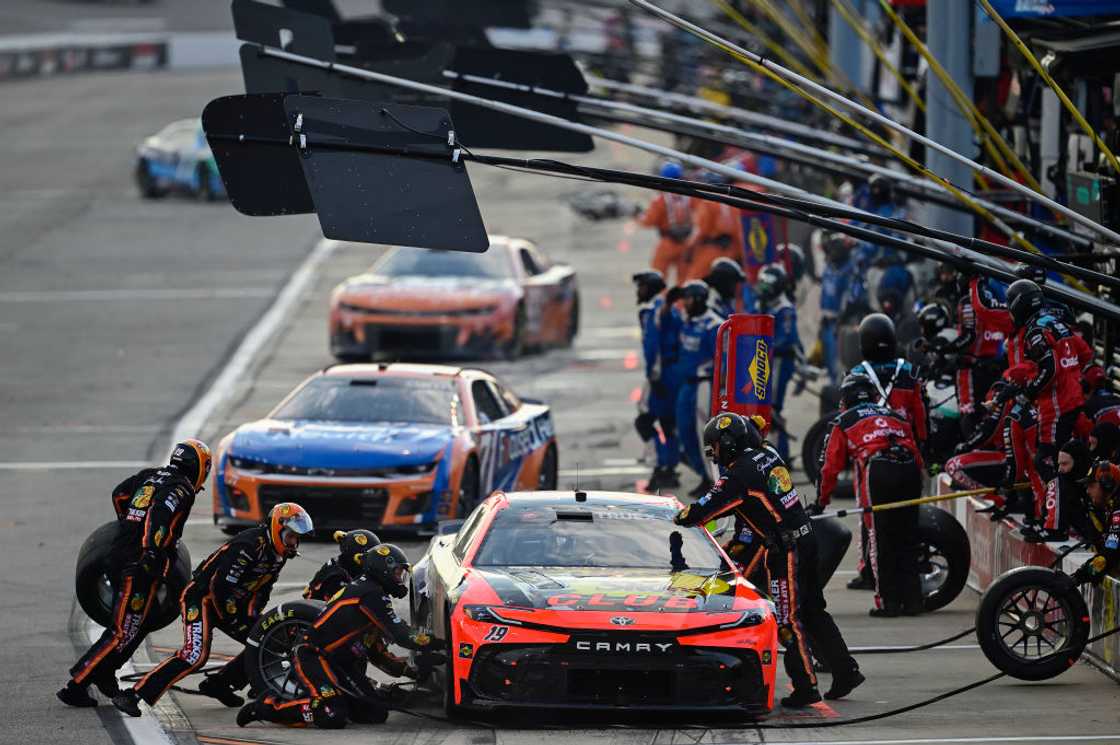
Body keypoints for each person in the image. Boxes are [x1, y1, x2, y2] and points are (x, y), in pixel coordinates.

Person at [675, 413, 863, 707]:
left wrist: (674, 516)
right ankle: (846, 670)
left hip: (786, 551)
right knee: (813, 610)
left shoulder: (738, 475)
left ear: (728, 444)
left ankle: (806, 687)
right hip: (807, 538)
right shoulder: (769, 453)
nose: (716, 456)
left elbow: (700, 512)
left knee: (787, 623)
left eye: (716, 447)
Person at [114, 503, 313, 717]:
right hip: (202, 599)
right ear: (278, 528)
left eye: (296, 538)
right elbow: (219, 588)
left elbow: (262, 590)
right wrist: (236, 619)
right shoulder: (249, 546)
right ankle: (133, 695)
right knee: (195, 655)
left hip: (230, 604)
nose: (294, 542)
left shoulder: (277, 554)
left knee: (267, 640)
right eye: (292, 536)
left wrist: (254, 620)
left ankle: (220, 684)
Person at [59, 440, 211, 707]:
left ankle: (105, 674)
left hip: (121, 553)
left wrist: (128, 523)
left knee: (142, 622)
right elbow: (160, 514)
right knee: (124, 628)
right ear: (198, 467)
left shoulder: (152, 475)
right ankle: (77, 684)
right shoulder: (181, 488)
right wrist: (151, 550)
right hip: (141, 565)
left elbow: (120, 494)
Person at [237, 544, 444, 729]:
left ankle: (340, 701)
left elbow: (378, 654)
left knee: (375, 713)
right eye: (398, 572)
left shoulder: (373, 594)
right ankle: (266, 707)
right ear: (384, 569)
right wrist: (438, 643)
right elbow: (400, 634)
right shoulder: (371, 594)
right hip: (313, 656)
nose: (400, 579)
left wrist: (413, 671)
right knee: (332, 715)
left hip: (340, 663)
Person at [817, 375, 924, 617]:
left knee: (880, 538)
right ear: (874, 395)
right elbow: (917, 452)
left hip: (880, 470)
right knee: (908, 536)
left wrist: (820, 501)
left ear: (847, 398)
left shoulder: (843, 420)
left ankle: (888, 603)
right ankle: (914, 601)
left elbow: (830, 467)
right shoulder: (895, 415)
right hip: (910, 469)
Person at [1003, 279, 1093, 523]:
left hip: (1056, 406)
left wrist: (1028, 391)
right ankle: (1078, 517)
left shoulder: (1035, 331)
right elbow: (1085, 354)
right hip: (1073, 400)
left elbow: (1049, 368)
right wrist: (1072, 379)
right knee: (1074, 461)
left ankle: (1056, 523)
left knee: (1047, 462)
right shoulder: (1058, 324)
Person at [663, 280, 723, 496]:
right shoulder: (687, 321)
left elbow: (722, 360)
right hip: (686, 387)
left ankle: (714, 480)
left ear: (698, 299)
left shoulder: (714, 324)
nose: (684, 303)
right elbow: (663, 325)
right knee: (684, 432)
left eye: (687, 298)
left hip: (704, 386)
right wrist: (668, 305)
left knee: (703, 435)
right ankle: (704, 475)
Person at [846, 313, 927, 448]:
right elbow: (920, 415)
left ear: (863, 344)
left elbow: (845, 419)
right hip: (905, 446)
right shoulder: (910, 372)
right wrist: (923, 443)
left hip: (868, 448)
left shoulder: (854, 375)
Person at [942, 269, 1011, 426]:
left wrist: (942, 349)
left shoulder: (968, 301)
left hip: (971, 369)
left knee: (969, 413)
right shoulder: (994, 298)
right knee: (991, 414)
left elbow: (969, 336)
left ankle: (970, 448)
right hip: (996, 367)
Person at [632, 270, 681, 490]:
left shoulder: (655, 310)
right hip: (670, 371)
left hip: (663, 373)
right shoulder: (658, 308)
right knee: (667, 424)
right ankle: (668, 467)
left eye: (642, 286)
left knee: (645, 422)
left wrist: (654, 374)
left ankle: (661, 466)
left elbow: (653, 346)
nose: (638, 291)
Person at [756, 263, 801, 461]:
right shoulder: (764, 305)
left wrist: (764, 346)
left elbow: (787, 339)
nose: (763, 289)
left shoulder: (785, 308)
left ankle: (781, 455)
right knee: (767, 409)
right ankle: (778, 453)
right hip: (767, 361)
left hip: (781, 362)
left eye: (767, 285)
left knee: (772, 409)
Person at [1023, 439, 1094, 543]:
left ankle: (1054, 529)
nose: (1060, 469)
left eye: (1064, 464)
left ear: (1078, 462)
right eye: (1059, 464)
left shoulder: (1099, 478)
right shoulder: (1065, 483)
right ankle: (1051, 526)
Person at [638, 163, 692, 284]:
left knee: (657, 277)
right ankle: (681, 302)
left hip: (667, 243)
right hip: (687, 243)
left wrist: (638, 217)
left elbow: (648, 221)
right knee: (685, 280)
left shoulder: (661, 199)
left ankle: (660, 300)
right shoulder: (691, 195)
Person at [1071, 461, 1120, 585]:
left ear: (1106, 485)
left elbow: (1109, 555)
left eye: (1091, 485)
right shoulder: (1110, 506)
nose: (1087, 491)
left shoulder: (1118, 509)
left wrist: (1078, 577)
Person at [304, 529, 381, 602]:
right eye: (370, 558)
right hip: (318, 610)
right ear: (356, 556)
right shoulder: (338, 577)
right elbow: (336, 608)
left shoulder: (341, 562)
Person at [684, 196, 743, 281]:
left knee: (694, 280)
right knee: (729, 282)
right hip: (729, 251)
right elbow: (738, 234)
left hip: (710, 250)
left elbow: (701, 230)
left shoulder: (708, 203)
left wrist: (689, 248)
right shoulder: (734, 204)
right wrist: (739, 255)